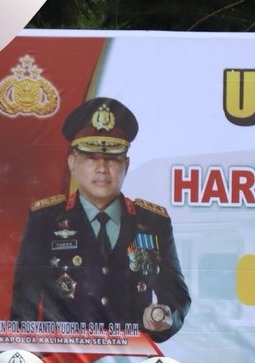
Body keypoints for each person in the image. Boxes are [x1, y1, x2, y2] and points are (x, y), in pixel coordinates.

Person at [10, 97, 191, 343]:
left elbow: (177, 296)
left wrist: (165, 318)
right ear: (73, 163)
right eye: (91, 157)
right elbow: (25, 302)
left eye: (113, 158)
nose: (102, 168)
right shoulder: (46, 219)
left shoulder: (153, 222)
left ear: (126, 164)